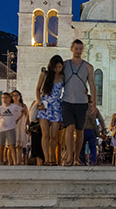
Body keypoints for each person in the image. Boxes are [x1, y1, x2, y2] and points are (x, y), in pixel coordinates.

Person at [61, 39, 96, 167]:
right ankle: (70, 156)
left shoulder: (88, 67)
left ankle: (77, 157)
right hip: (67, 101)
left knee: (79, 131)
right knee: (69, 128)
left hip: (82, 102)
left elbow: (92, 85)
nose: (78, 51)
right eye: (76, 49)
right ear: (72, 48)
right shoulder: (64, 65)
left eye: (80, 49)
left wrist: (94, 104)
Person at [35, 55, 65, 166]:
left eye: (60, 67)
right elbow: (38, 89)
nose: (58, 70)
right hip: (45, 105)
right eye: (56, 67)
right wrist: (39, 103)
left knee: (54, 136)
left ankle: (52, 158)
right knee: (45, 134)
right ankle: (47, 158)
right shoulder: (45, 75)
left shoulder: (62, 77)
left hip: (56, 106)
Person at [0, 91, 22, 165]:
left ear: (9, 98)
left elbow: (23, 111)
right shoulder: (0, 108)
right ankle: (0, 162)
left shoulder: (14, 107)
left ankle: (15, 162)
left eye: (6, 98)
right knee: (1, 146)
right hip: (1, 129)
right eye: (2, 98)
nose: (4, 99)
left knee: (12, 145)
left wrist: (17, 119)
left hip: (11, 128)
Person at [79, 96, 106, 166]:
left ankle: (82, 161)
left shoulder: (81, 109)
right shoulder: (94, 109)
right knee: (93, 147)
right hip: (92, 130)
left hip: (83, 130)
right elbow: (101, 120)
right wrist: (103, 129)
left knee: (82, 147)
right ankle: (93, 161)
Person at [11, 91, 29, 166]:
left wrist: (27, 125)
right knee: (12, 144)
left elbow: (27, 115)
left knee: (20, 144)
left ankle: (19, 160)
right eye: (13, 95)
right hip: (12, 125)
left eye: (17, 95)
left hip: (21, 125)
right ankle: (13, 161)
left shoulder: (23, 106)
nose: (15, 97)